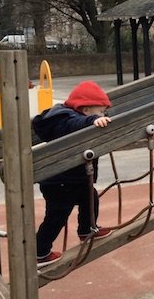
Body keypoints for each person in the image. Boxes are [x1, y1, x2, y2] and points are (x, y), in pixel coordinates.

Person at [33, 81, 114, 267]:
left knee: (90, 197)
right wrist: (92, 121)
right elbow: (73, 125)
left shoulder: (70, 115)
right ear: (85, 110)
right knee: (57, 215)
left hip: (75, 178)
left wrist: (96, 118)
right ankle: (39, 252)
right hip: (59, 181)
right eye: (100, 112)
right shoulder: (64, 119)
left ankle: (87, 229)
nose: (103, 115)